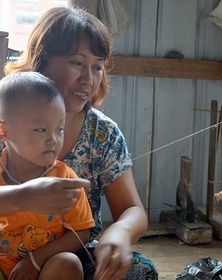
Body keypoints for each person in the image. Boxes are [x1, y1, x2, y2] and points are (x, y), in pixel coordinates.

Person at [4, 6, 158, 280]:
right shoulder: (8, 120)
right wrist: (22, 197)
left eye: (97, 67)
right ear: (42, 61)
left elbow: (132, 210)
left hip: (74, 255)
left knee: (139, 271)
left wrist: (120, 232)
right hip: (5, 256)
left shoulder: (103, 133)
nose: (88, 79)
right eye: (76, 63)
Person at [0, 71, 95, 280]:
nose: (53, 140)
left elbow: (81, 232)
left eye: (59, 129)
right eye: (41, 129)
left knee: (67, 263)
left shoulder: (64, 179)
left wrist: (35, 260)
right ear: (3, 131)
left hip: (43, 269)